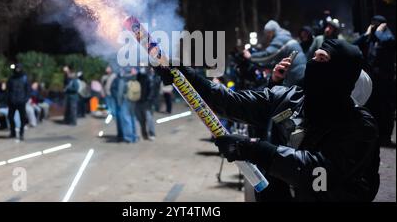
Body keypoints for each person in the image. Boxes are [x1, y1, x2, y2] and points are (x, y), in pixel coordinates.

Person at [157, 39, 380, 202]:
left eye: (322, 59)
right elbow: (230, 101)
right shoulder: (288, 98)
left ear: (340, 74)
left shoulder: (359, 126)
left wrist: (257, 150)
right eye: (314, 57)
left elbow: (319, 173)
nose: (313, 63)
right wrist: (185, 76)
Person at [354, 15, 396, 147]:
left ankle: (385, 136)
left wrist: (379, 32)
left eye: (377, 24)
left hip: (385, 79)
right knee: (372, 107)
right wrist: (366, 34)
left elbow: (388, 41)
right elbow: (353, 45)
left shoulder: (387, 36)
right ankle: (373, 134)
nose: (374, 26)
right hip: (373, 79)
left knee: (385, 108)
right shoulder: (370, 37)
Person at [244, 20, 306, 87]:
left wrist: (250, 56)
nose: (267, 36)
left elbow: (268, 55)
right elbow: (276, 60)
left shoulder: (280, 39)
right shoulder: (285, 36)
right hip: (301, 72)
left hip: (295, 74)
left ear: (271, 31)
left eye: (267, 33)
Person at [7, 64, 30, 140]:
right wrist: (9, 99)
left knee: (22, 118)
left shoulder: (24, 78)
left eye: (18, 68)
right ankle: (13, 132)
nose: (17, 70)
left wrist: (25, 99)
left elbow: (28, 90)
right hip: (12, 102)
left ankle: (21, 133)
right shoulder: (11, 78)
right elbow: (8, 89)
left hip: (21, 102)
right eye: (16, 68)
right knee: (10, 117)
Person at [135, 66, 156, 141]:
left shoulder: (149, 78)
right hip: (138, 101)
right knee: (141, 119)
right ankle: (143, 134)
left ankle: (152, 134)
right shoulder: (138, 77)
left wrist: (149, 101)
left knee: (149, 118)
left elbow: (152, 91)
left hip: (147, 102)